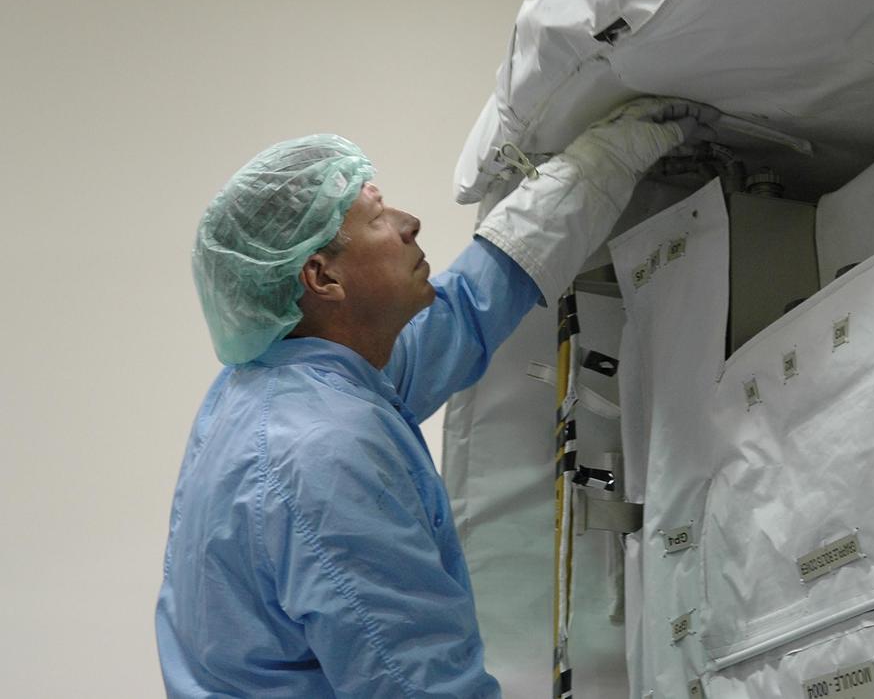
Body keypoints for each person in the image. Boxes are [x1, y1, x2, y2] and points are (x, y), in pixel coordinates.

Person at [156, 98, 717, 697]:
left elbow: (470, 308)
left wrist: (600, 164)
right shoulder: (324, 452)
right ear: (323, 278)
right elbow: (415, 682)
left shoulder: (284, 385)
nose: (409, 223)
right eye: (377, 219)